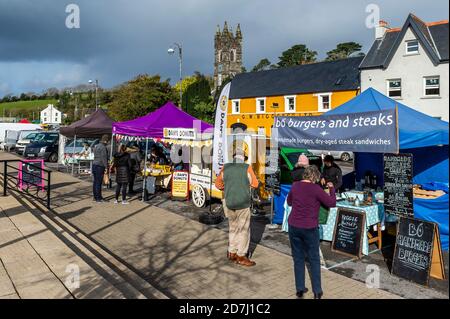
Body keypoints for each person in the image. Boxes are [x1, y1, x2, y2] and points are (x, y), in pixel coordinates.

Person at [287, 165, 336, 299]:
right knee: (314, 259)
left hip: (294, 225)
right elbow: (331, 203)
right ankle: (317, 291)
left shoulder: (295, 186)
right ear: (315, 177)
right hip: (309, 227)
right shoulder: (316, 189)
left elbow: (289, 202)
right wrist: (331, 188)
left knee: (298, 258)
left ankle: (300, 289)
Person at [215, 141, 259, 267]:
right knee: (244, 229)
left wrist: (227, 188)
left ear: (233, 156)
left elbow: (218, 184)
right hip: (243, 203)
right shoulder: (247, 167)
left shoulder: (226, 167)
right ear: (244, 157)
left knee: (233, 228)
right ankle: (241, 255)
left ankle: (231, 252)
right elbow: (255, 184)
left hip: (229, 202)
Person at [92, 134, 110, 203]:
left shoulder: (96, 146)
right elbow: (104, 158)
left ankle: (95, 196)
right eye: (107, 141)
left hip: (94, 164)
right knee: (99, 183)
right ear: (105, 141)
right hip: (100, 165)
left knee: (95, 182)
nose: (108, 142)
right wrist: (106, 167)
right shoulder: (103, 147)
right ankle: (98, 198)